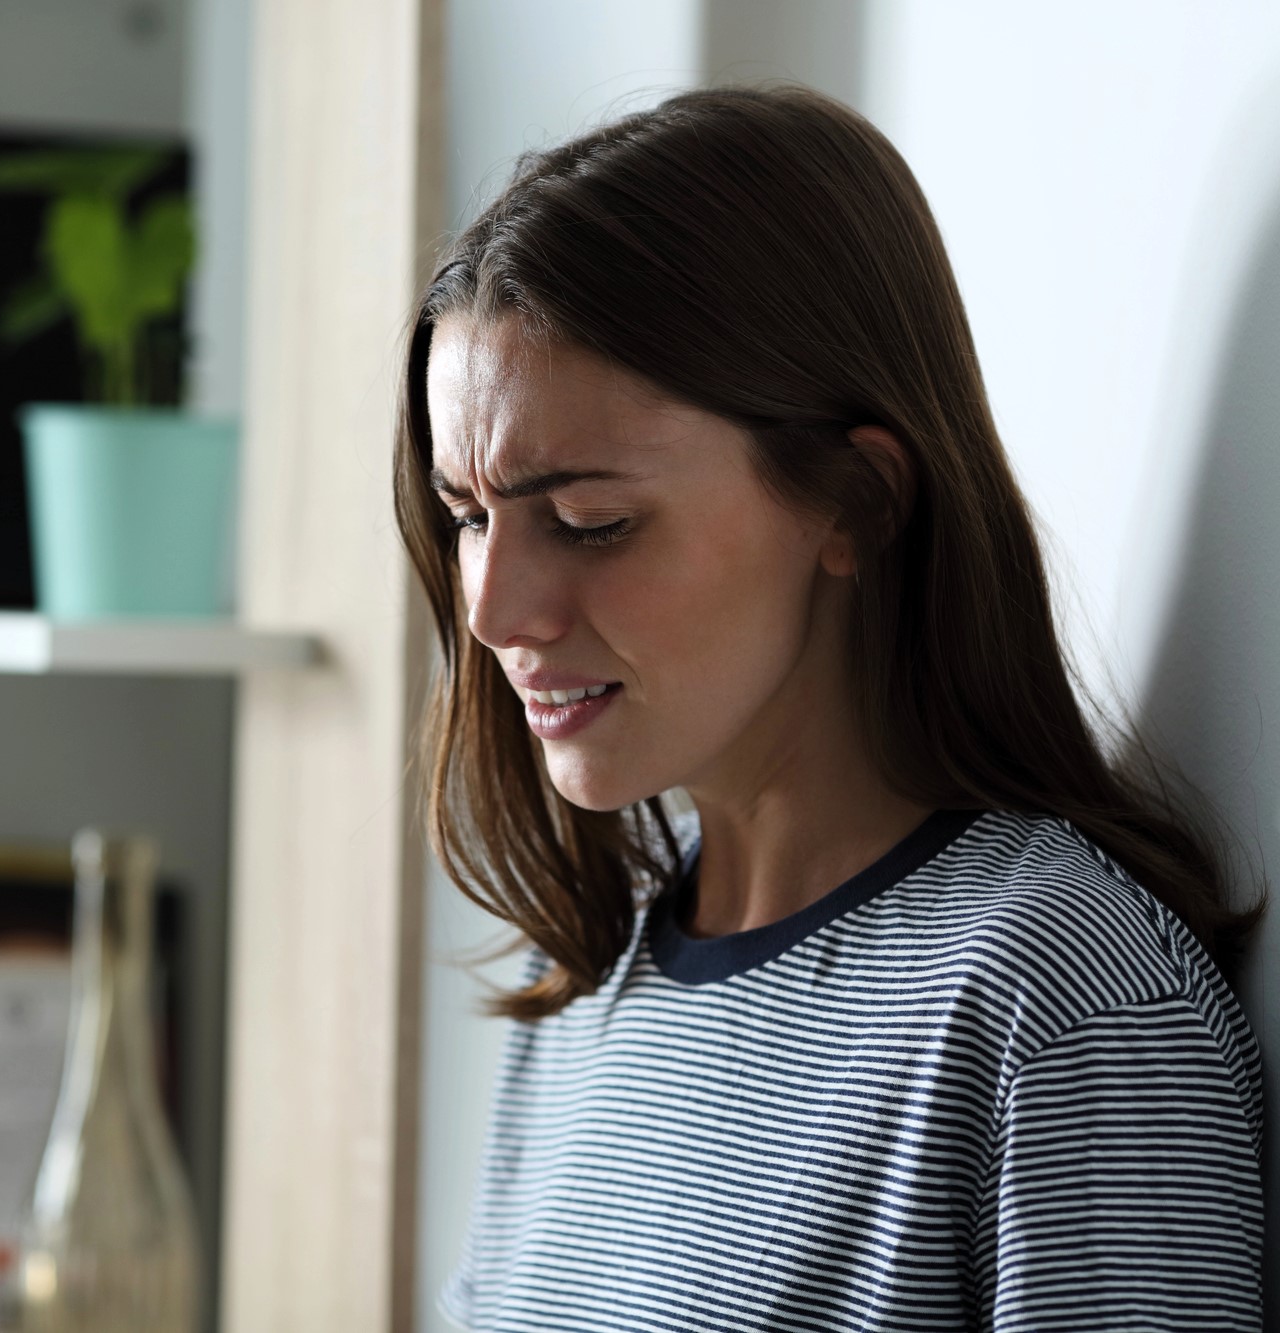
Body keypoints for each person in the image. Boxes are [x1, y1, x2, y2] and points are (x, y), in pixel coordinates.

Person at [394, 82, 1267, 1331]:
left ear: (853, 502)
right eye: (469, 518)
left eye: (590, 522)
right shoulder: (588, 970)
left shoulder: (1060, 1006)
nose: (491, 610)